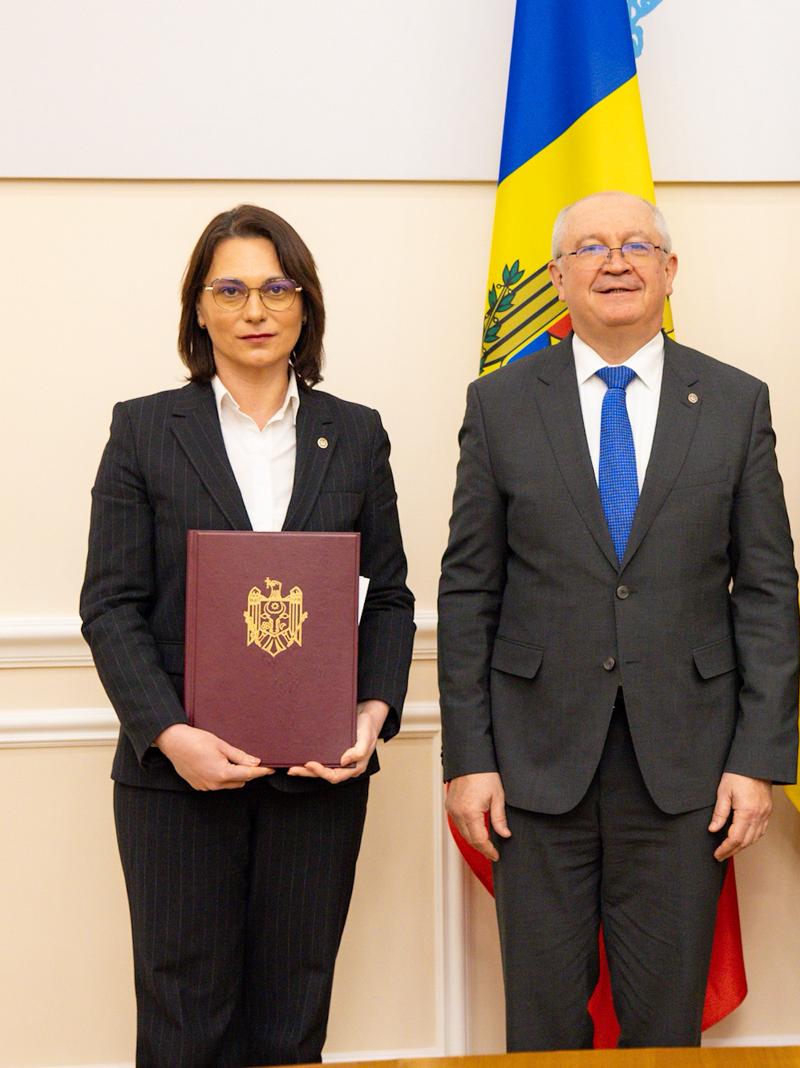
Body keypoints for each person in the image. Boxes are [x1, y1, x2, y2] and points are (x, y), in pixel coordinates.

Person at [438, 190, 800, 1050]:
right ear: (557, 277)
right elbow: (469, 592)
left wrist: (756, 760)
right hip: (533, 768)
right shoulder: (499, 404)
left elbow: (766, 592)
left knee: (665, 1028)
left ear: (670, 271)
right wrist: (469, 759)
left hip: (685, 768)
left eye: (637, 245)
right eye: (590, 248)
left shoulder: (736, 401)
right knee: (542, 1028)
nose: (615, 262)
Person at [79, 204, 416, 1066]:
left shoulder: (357, 433)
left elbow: (388, 597)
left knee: (291, 1027)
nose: (255, 309)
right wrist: (171, 735)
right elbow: (110, 604)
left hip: (318, 783)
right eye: (229, 290)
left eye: (276, 288)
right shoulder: (144, 429)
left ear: (306, 304)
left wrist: (371, 715)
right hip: (177, 785)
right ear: (198, 308)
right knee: (183, 1026)